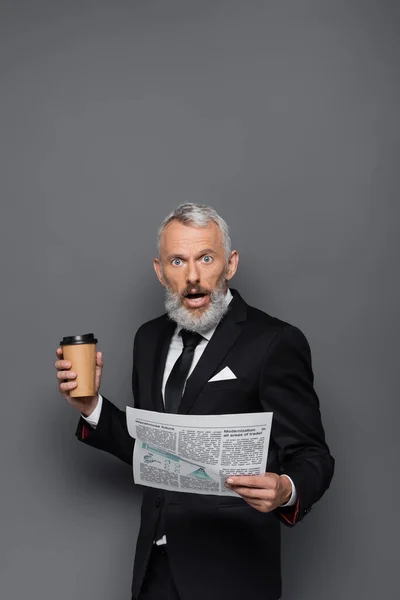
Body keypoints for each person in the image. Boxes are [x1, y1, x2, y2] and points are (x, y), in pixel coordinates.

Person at [55, 204, 334, 600]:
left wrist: (286, 489)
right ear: (159, 270)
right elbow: (150, 452)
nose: (192, 277)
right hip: (155, 568)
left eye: (206, 258)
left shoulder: (274, 341)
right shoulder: (148, 339)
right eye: (177, 260)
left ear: (230, 264)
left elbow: (313, 455)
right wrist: (90, 406)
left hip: (233, 572)